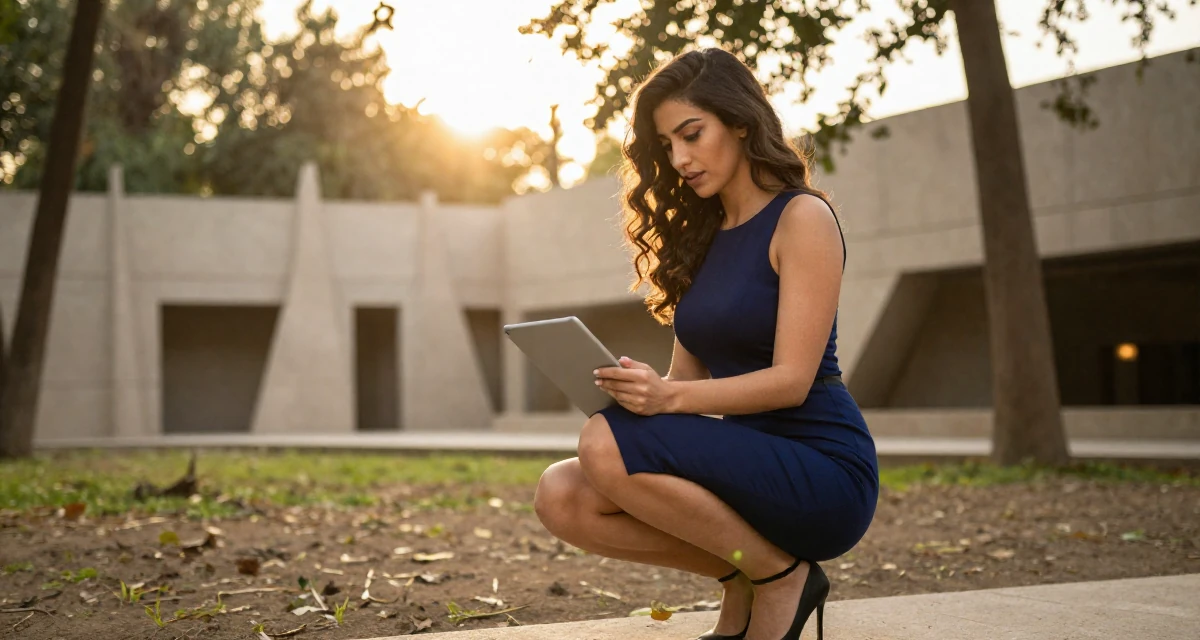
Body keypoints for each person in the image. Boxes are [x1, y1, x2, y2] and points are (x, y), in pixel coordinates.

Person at [533, 47, 878, 640]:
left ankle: (779, 581)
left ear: (740, 122)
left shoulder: (802, 218)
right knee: (561, 494)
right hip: (742, 464)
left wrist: (664, 401)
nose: (680, 158)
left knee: (603, 445)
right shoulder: (700, 239)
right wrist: (640, 393)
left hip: (822, 469)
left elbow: (791, 380)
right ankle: (754, 575)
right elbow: (687, 384)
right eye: (667, 144)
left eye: (692, 134)